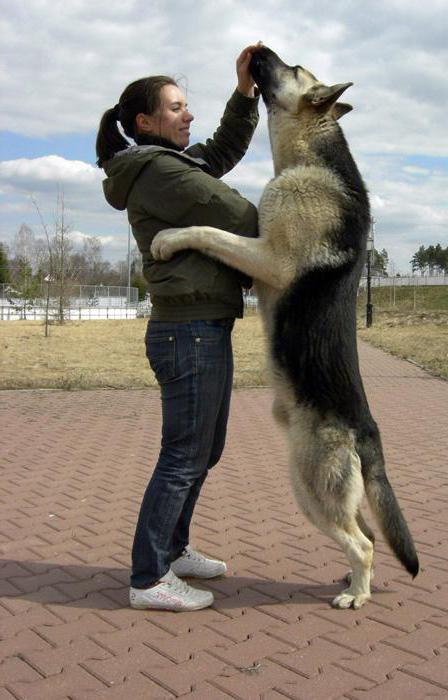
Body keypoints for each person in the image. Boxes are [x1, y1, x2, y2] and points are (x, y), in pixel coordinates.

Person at [96, 42, 262, 611]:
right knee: (183, 455)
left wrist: (244, 93)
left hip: (203, 325)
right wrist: (309, 210)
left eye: (187, 105)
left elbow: (219, 150)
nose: (186, 114)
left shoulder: (169, 164)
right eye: (175, 106)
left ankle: (174, 547)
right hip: (188, 331)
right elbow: (239, 215)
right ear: (145, 122)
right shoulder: (158, 171)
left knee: (203, 449)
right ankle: (149, 578)